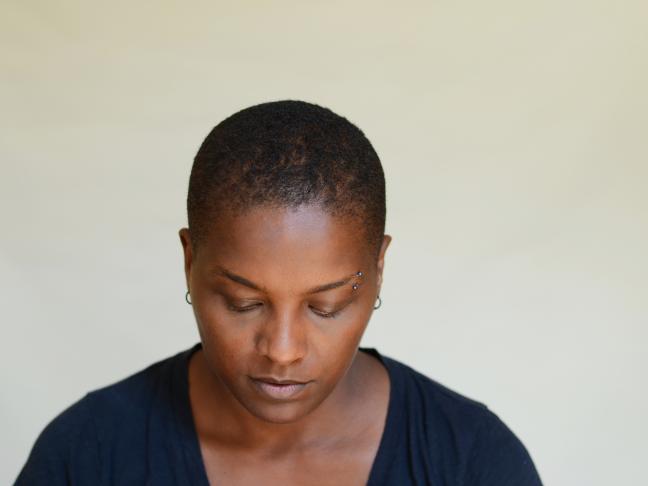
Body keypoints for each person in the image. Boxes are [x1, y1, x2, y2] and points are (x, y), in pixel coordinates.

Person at [15, 101, 543, 485]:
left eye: (326, 306)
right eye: (243, 303)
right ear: (190, 261)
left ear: (378, 269)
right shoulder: (87, 455)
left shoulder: (473, 462)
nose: (282, 350)